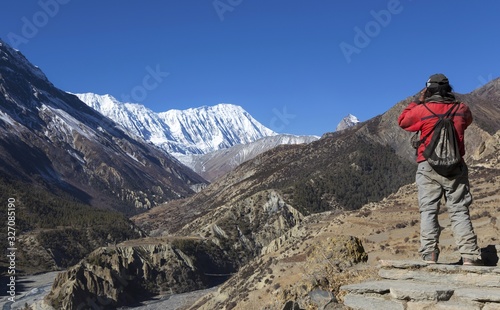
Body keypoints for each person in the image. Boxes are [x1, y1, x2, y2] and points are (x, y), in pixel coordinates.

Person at [398, 73, 482, 265]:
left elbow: (403, 121)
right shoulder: (462, 109)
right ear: (448, 88)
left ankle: (430, 255)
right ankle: (469, 255)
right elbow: (467, 122)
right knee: (459, 210)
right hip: (455, 166)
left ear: (428, 89)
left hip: (428, 166)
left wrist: (416, 102)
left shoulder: (422, 109)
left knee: (428, 210)